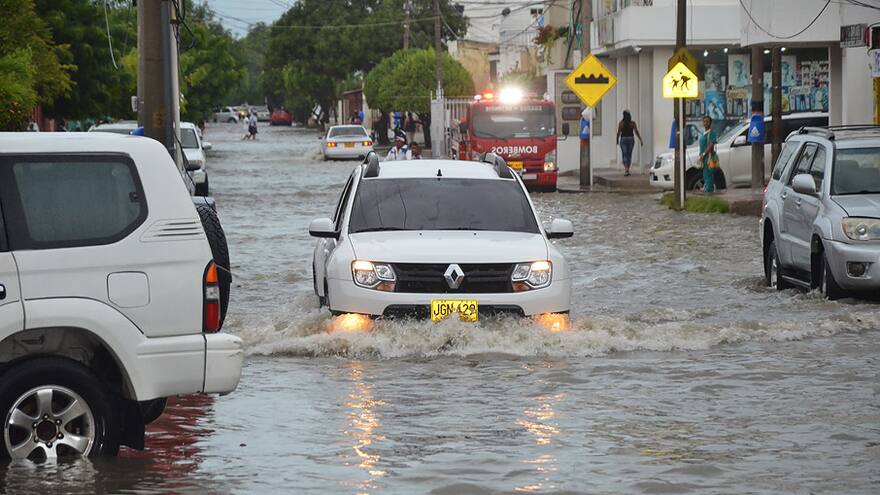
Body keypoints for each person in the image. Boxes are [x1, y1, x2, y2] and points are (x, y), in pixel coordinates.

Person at [615, 110, 642, 176]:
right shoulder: (632, 123)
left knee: (624, 154)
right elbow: (636, 132)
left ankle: (626, 169)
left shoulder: (621, 123)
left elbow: (619, 132)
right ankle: (627, 169)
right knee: (629, 154)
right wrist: (640, 139)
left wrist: (617, 140)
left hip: (623, 139)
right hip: (631, 139)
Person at [698, 115, 719, 193]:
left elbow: (710, 145)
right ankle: (706, 187)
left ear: (710, 123)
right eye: (704, 121)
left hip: (708, 156)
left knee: (709, 173)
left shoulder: (712, 133)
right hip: (703, 157)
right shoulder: (703, 133)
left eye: (707, 121)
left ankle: (709, 190)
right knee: (705, 173)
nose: (705, 123)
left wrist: (703, 154)